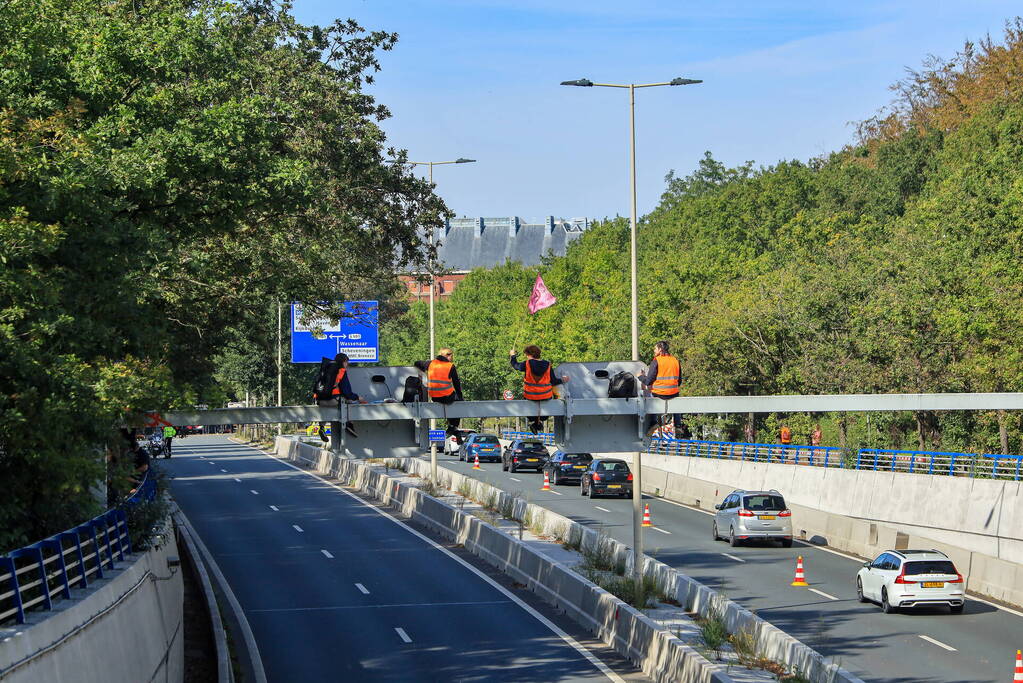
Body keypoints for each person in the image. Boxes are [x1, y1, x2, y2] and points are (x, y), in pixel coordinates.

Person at [509, 345, 569, 434]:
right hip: (545, 396)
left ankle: (535, 423)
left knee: (531, 414)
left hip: (530, 396)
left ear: (529, 355)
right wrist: (562, 380)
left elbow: (515, 365)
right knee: (544, 415)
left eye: (526, 355)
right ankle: (537, 423)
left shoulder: (527, 364)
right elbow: (553, 381)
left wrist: (512, 356)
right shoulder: (548, 364)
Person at [414, 347, 463, 443]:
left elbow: (417, 363)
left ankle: (455, 430)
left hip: (434, 397)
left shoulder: (430, 364)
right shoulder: (450, 366)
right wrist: (461, 397)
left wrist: (422, 373)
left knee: (452, 401)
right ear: (446, 355)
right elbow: (456, 383)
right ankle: (453, 426)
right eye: (451, 355)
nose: (452, 357)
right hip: (447, 396)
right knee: (458, 403)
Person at [315, 353, 367, 439]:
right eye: (347, 362)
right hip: (333, 401)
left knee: (326, 408)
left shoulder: (326, 368)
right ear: (343, 362)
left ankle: (322, 427)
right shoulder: (341, 371)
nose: (347, 364)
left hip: (319, 400)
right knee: (349, 401)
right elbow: (347, 392)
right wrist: (358, 397)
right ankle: (349, 424)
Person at [638, 341, 683, 437]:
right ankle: (678, 424)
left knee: (650, 397)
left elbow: (648, 381)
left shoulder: (657, 361)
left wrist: (640, 376)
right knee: (677, 400)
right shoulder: (675, 360)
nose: (654, 351)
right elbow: (679, 381)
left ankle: (653, 423)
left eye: (655, 349)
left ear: (660, 349)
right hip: (673, 393)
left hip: (658, 394)